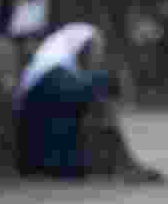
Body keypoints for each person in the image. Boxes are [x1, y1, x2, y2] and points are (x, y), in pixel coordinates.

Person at [14, 23, 121, 178]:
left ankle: (64, 166)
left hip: (36, 94)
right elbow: (92, 67)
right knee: (102, 81)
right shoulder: (84, 37)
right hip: (48, 82)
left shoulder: (56, 51)